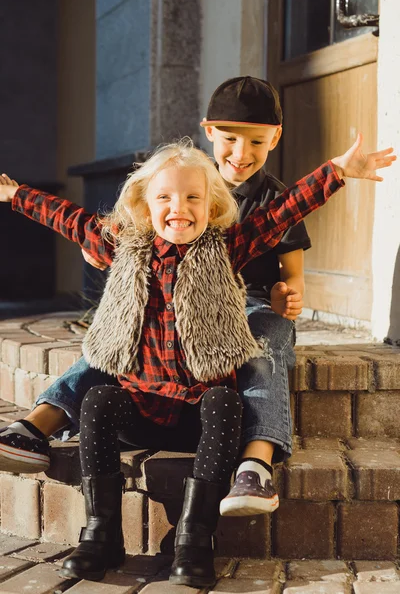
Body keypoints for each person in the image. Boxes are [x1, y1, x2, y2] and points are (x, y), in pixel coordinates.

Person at [0, 137, 395, 586]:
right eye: (165, 197)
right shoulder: (124, 247)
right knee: (98, 398)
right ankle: (101, 533)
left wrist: (338, 171)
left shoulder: (225, 248)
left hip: (198, 417)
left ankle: (194, 538)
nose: (178, 207)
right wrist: (15, 195)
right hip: (143, 408)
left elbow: (280, 214)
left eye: (193, 197)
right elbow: (67, 218)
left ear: (212, 206)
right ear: (144, 207)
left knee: (226, 401)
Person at [0, 78, 308, 519]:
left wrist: (288, 293)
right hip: (176, 297)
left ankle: (256, 461)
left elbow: (292, 260)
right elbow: (84, 223)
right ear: (208, 132)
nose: (241, 152)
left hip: (251, 303)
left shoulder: (267, 204)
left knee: (263, 350)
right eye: (230, 139)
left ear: (275, 138)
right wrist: (20, 198)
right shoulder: (181, 175)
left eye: (256, 141)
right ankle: (36, 425)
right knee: (112, 345)